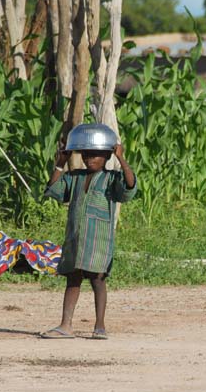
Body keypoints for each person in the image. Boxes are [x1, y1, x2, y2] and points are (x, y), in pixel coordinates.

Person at [40, 128, 137, 340]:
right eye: (85, 154)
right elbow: (53, 188)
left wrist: (122, 158)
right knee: (73, 279)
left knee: (98, 280)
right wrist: (60, 162)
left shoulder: (112, 179)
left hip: (98, 240)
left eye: (94, 155)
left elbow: (130, 186)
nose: (89, 159)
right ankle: (66, 325)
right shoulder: (74, 177)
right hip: (76, 237)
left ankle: (99, 325)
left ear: (106, 156)